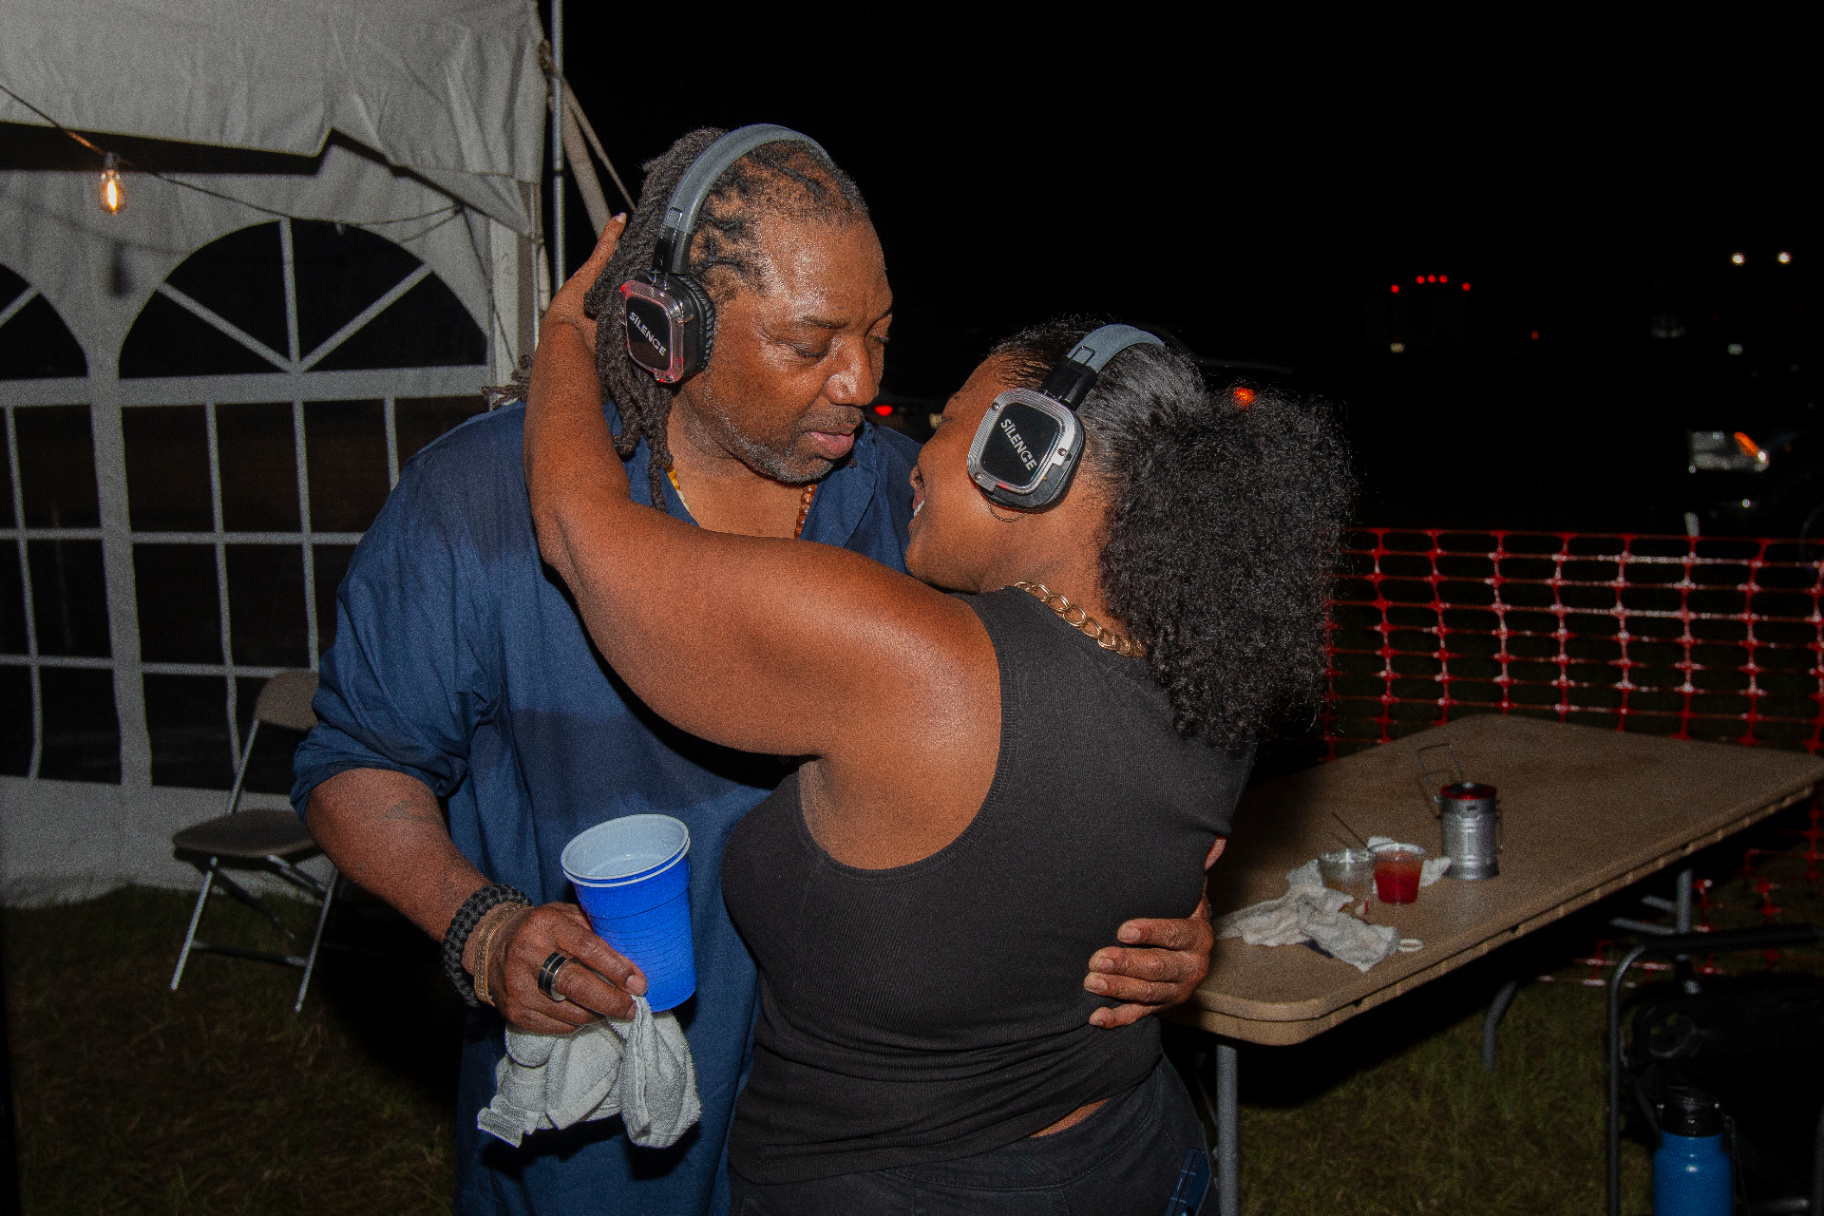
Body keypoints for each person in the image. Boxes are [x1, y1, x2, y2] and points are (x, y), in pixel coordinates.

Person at [291, 127, 1216, 1216]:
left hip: (860, 1150)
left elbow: (1072, 724)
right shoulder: (474, 499)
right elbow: (357, 765)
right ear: (667, 329)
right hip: (598, 1152)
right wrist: (479, 925)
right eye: (809, 343)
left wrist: (1160, 904)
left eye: (878, 334)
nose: (861, 382)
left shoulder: (916, 510)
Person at [523, 233, 1352, 1210]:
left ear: (1027, 451)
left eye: (950, 422)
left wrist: (565, 333)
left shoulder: (920, 662)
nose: (914, 456)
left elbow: (580, 530)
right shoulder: (1215, 681)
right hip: (1141, 1155)